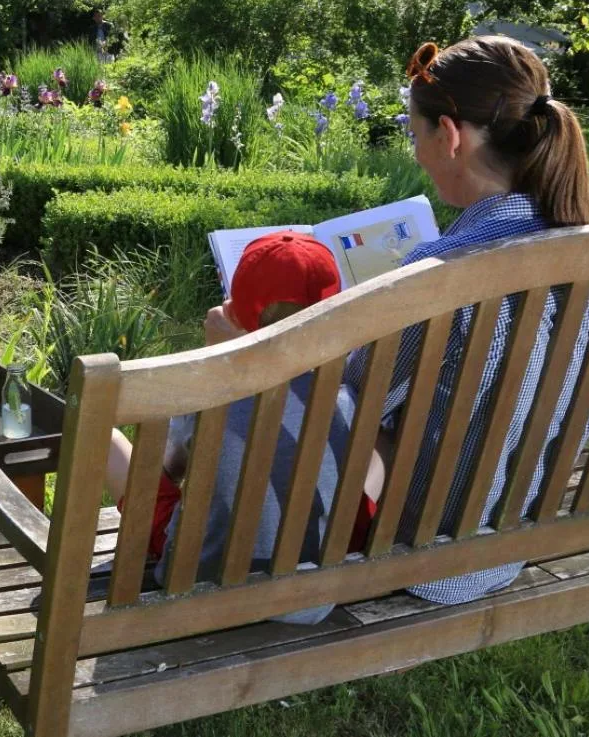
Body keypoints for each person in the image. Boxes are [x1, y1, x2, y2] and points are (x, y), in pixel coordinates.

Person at [340, 35, 589, 605]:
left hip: (419, 556)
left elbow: (351, 403)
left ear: (449, 136)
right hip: (510, 539)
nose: (416, 153)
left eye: (416, 136)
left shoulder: (441, 276)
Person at [104, 230, 385, 624]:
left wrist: (215, 357)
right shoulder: (347, 401)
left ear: (235, 313)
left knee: (108, 441)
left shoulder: (208, 394)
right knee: (360, 469)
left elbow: (169, 468)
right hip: (312, 597)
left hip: (199, 586)